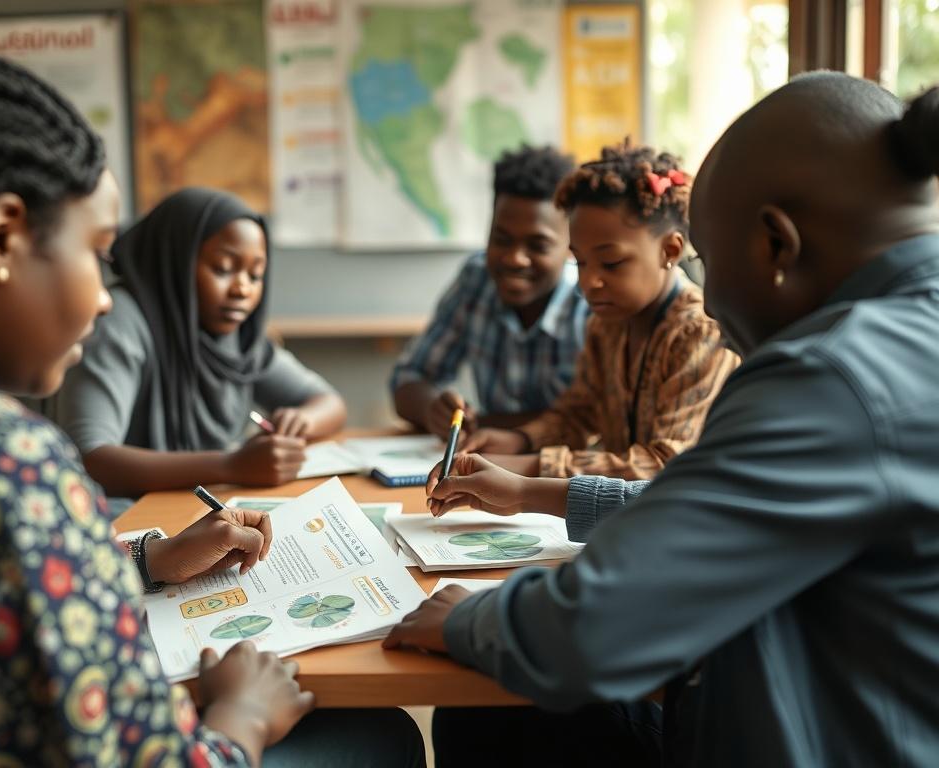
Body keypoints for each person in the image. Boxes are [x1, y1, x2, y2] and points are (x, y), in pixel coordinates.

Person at [385, 73, 939, 767]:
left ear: (775, 243)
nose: (708, 306)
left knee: (489, 716)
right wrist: (532, 489)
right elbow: (715, 508)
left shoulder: (831, 376)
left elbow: (593, 628)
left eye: (708, 260)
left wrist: (470, 616)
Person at [0, 48, 424, 767]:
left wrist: (152, 556)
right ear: (2, 238)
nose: (100, 295)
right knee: (382, 741)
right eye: (96, 252)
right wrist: (240, 721)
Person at [460, 144, 739, 480]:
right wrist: (519, 440)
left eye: (611, 263)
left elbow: (665, 464)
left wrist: (532, 467)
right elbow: (578, 414)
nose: (589, 282)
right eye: (580, 261)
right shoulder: (607, 324)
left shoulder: (701, 334)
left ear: (670, 250)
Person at [49, 187, 347, 500]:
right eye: (223, 269)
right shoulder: (120, 321)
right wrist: (231, 466)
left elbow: (329, 402)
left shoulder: (235, 336)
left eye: (255, 275)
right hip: (129, 518)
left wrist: (300, 421)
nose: (242, 289)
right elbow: (90, 458)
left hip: (202, 509)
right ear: (175, 260)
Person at [391, 145, 588, 439]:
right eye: (501, 239)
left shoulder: (591, 303)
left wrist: (488, 424)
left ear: (572, 247)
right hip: (490, 467)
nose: (514, 258)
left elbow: (593, 420)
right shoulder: (476, 279)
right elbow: (408, 379)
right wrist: (433, 408)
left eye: (538, 245)